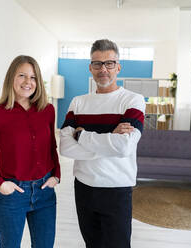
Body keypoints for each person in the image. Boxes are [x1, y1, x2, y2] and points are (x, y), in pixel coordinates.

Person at [59, 39, 145, 248]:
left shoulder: (133, 100)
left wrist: (82, 136)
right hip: (84, 188)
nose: (103, 69)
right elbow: (64, 147)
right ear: (90, 67)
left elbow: (124, 147)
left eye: (109, 63)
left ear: (118, 67)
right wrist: (108, 141)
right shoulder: (78, 102)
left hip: (116, 189)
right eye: (97, 63)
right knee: (92, 244)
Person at [0, 55, 60, 248]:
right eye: (22, 75)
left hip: (45, 194)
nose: (28, 82)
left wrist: (57, 176)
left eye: (33, 77)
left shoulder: (48, 111)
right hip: (12, 196)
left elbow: (52, 147)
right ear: (11, 78)